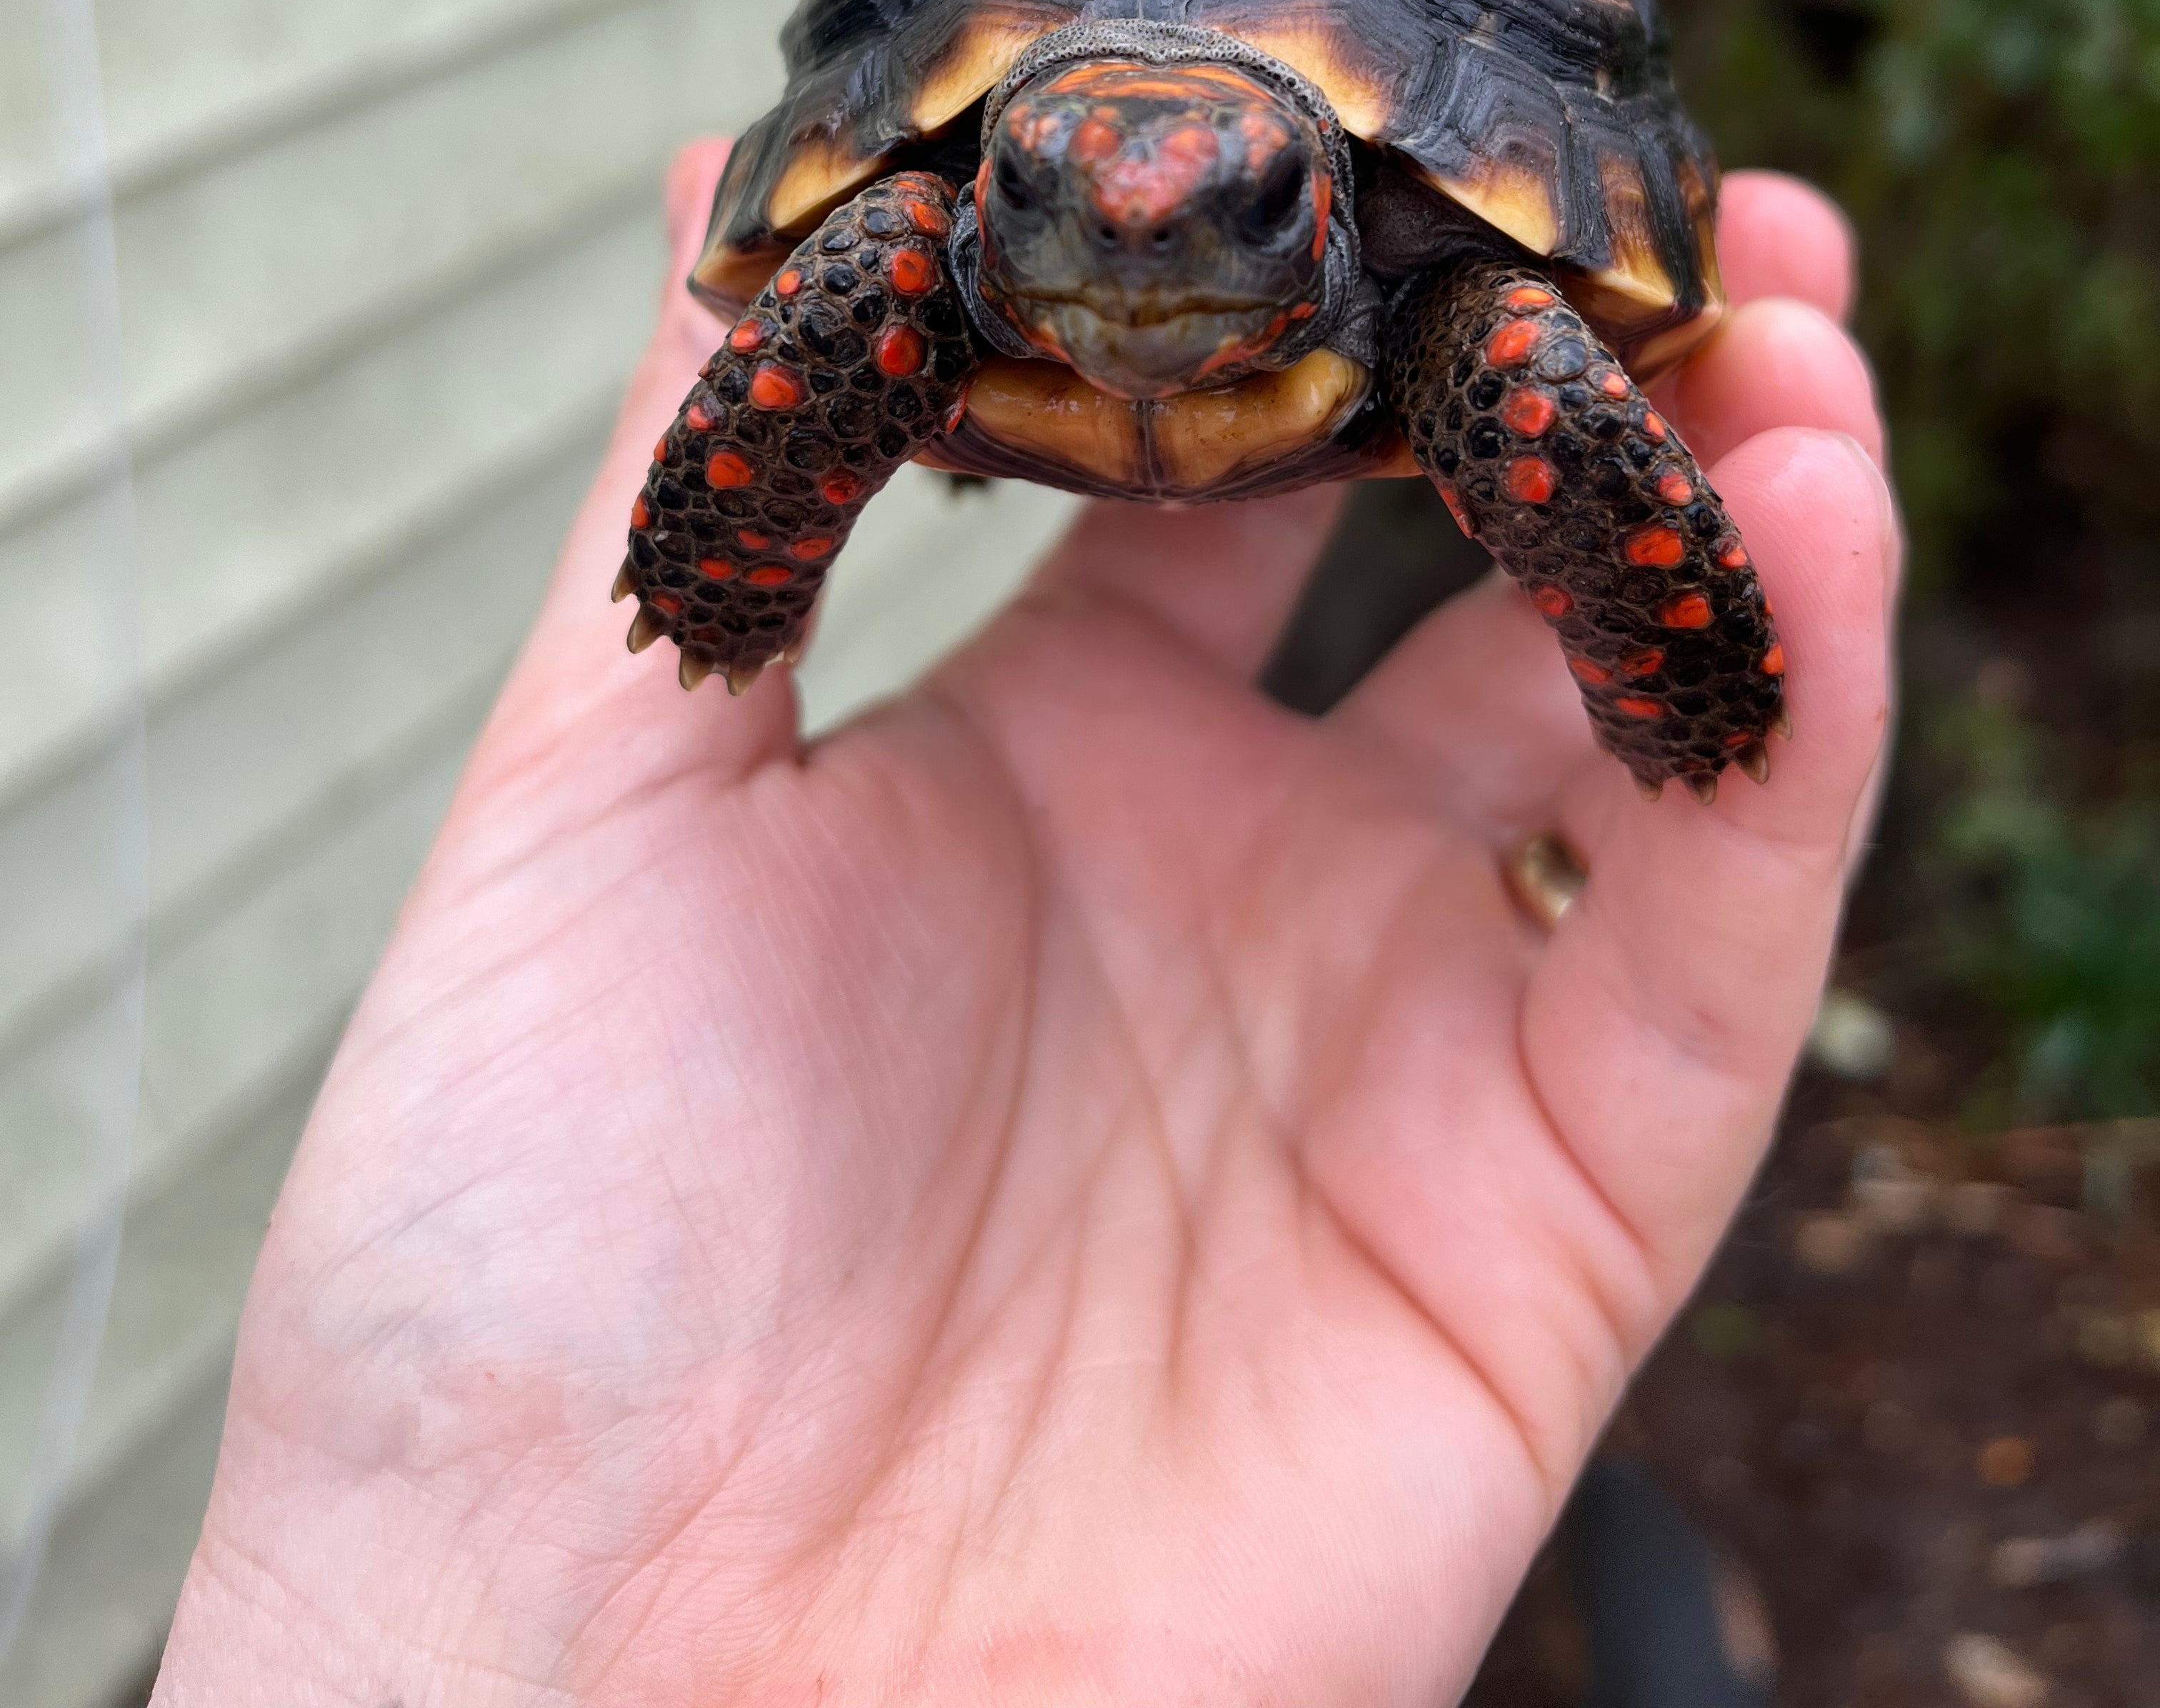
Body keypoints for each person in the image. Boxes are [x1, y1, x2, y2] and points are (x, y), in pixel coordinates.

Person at [151, 139, 1894, 1706]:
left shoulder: (1448, 298)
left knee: (1526, 377)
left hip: (1395, 276)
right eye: (1057, 204)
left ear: (1320, 205)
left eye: (1239, 211)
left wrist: (1671, 654)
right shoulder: (922, 238)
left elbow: (1530, 364)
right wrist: (728, 556)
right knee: (872, 279)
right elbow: (871, 277)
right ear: (999, 189)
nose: (1138, 249)